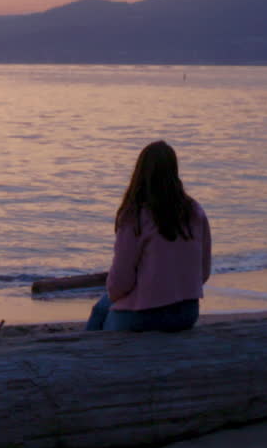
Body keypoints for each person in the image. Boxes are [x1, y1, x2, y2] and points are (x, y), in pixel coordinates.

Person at [85, 140, 211, 332]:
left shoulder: (135, 216)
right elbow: (203, 273)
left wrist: (118, 295)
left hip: (145, 315)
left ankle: (89, 357)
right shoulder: (195, 211)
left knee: (100, 312)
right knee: (103, 306)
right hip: (186, 313)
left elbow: (120, 282)